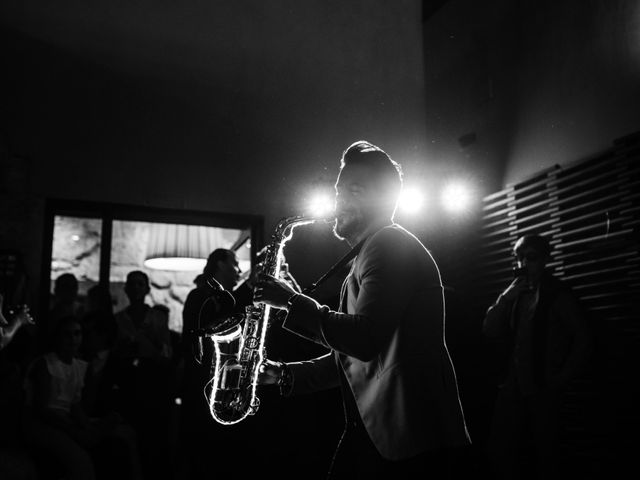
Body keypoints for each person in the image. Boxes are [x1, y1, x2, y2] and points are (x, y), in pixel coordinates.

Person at [254, 140, 471, 479]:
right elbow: (351, 357)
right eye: (339, 190)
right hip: (384, 433)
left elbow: (363, 340)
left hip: (409, 438)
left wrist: (292, 302)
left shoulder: (389, 244)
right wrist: (283, 374)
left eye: (351, 190)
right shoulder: (372, 252)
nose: (338, 201)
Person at [482, 234, 593, 480]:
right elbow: (489, 329)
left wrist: (562, 377)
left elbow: (583, 338)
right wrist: (505, 298)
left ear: (544, 260)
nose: (522, 264)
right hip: (512, 387)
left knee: (546, 453)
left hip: (543, 386)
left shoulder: (557, 293)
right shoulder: (515, 294)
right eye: (518, 258)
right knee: (500, 449)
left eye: (530, 258)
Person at [22, 315, 143, 480]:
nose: (73, 339)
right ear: (57, 337)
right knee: (81, 462)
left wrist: (86, 426)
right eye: (67, 334)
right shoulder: (46, 364)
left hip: (66, 419)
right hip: (44, 423)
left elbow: (75, 403)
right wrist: (73, 430)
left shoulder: (80, 366)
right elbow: (42, 408)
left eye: (77, 334)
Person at [178, 248, 250, 480]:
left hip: (224, 384)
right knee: (202, 451)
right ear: (220, 264)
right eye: (235, 264)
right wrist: (249, 288)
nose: (239, 270)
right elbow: (216, 322)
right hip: (203, 387)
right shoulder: (200, 297)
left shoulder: (222, 296)